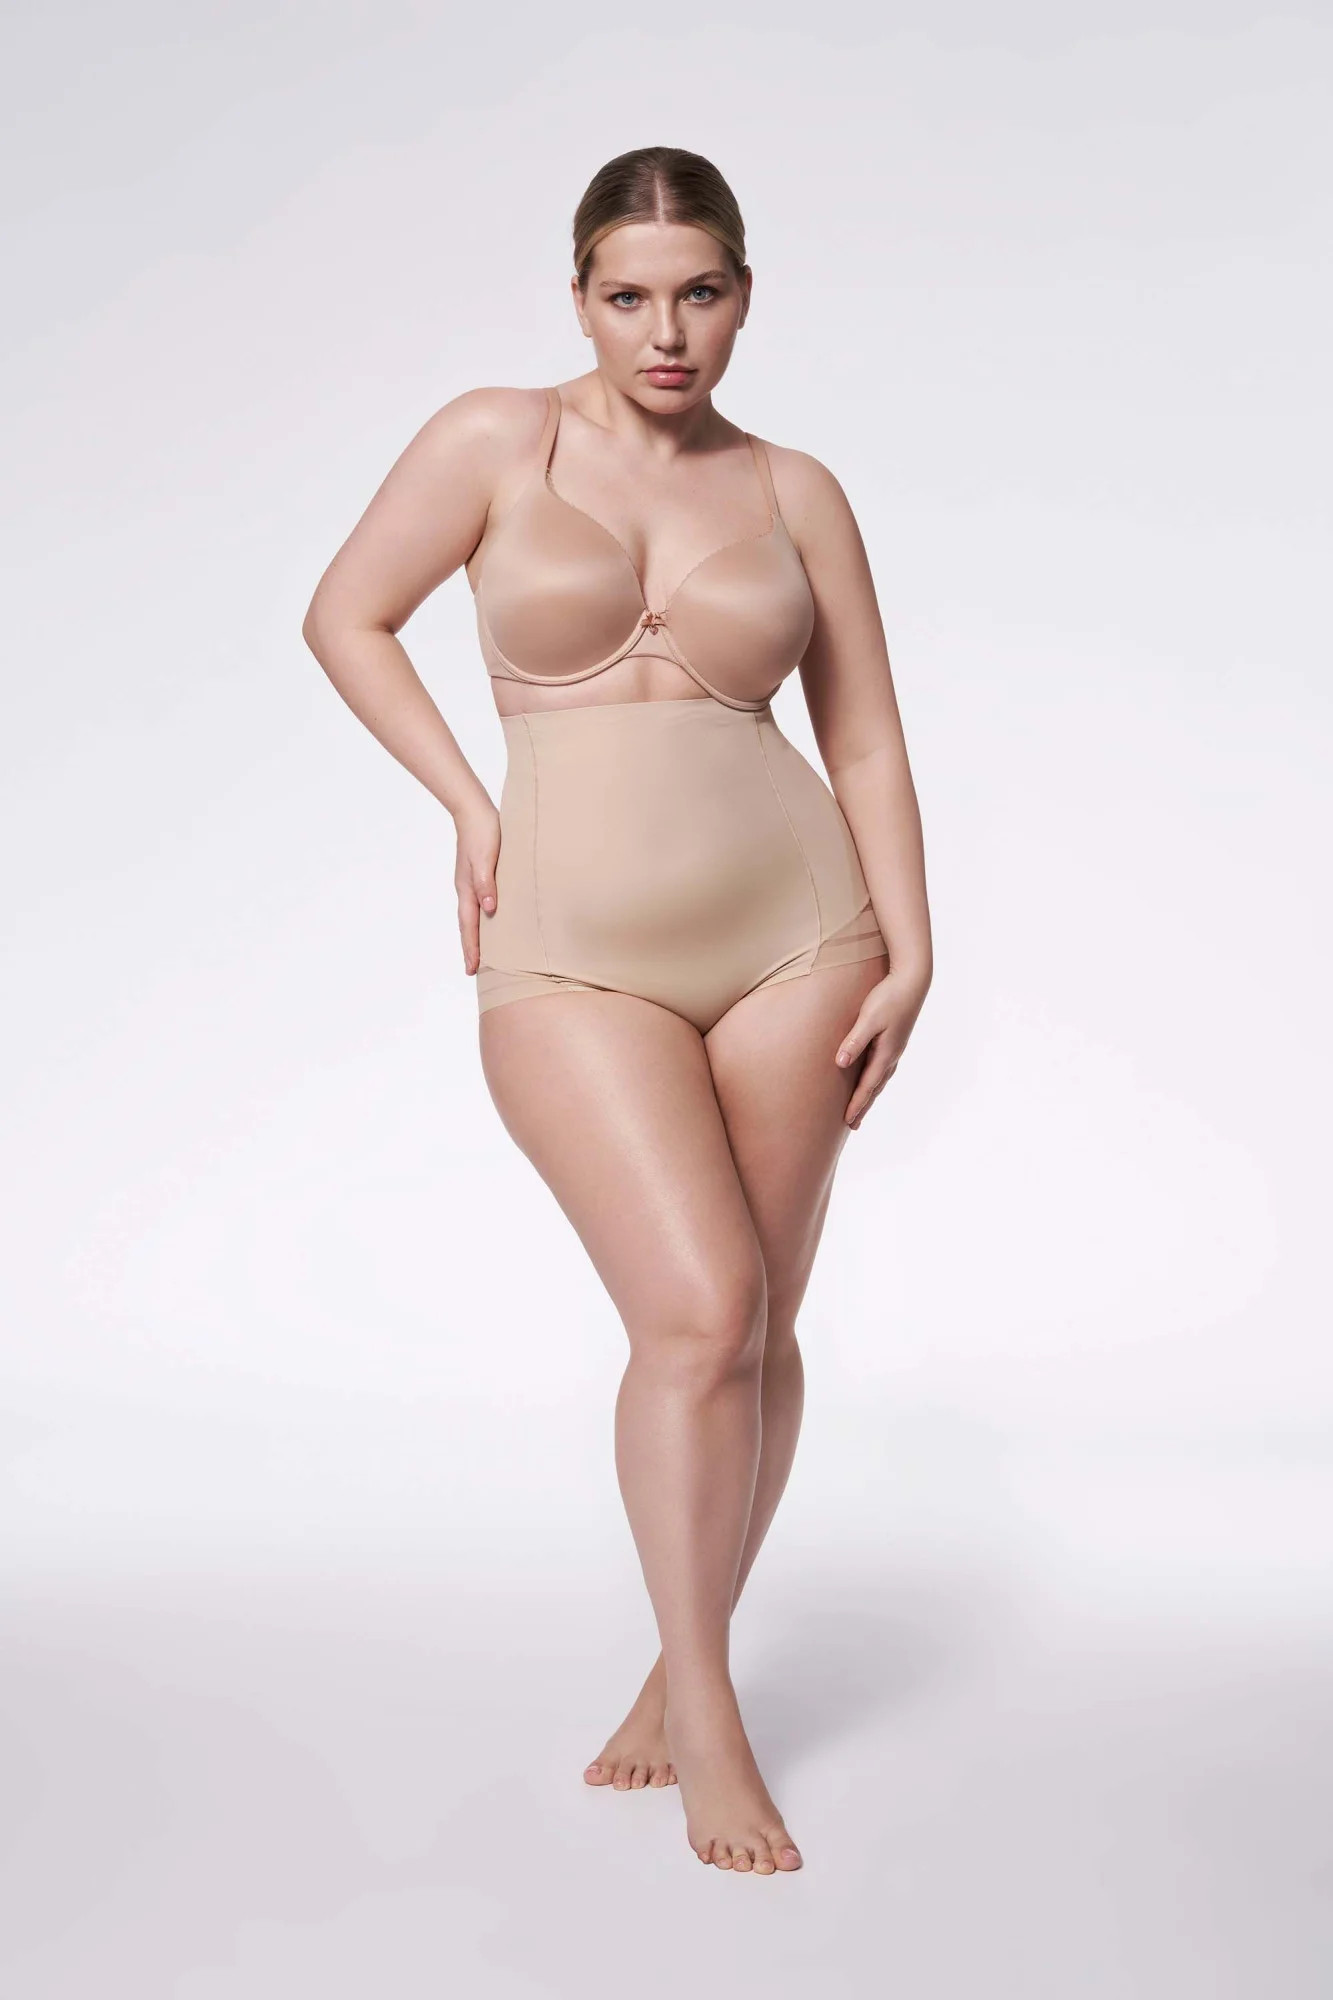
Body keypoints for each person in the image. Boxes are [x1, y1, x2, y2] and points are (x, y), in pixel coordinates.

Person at [301, 145, 932, 1876]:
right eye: (630, 296)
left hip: (798, 937)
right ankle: (713, 1711)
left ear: (744, 295)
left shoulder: (794, 488)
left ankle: (678, 1666)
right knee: (696, 1308)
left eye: (700, 293)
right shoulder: (494, 440)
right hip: (572, 949)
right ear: (577, 297)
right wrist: (466, 803)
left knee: (755, 1326)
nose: (667, 332)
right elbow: (346, 617)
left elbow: (863, 735)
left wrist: (914, 946)